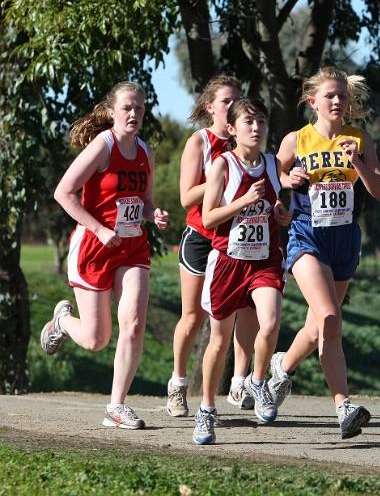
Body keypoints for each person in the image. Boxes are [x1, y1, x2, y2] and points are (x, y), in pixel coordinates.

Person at [41, 81, 170, 429]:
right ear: (112, 112)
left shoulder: (146, 151)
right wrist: (99, 229)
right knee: (97, 339)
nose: (134, 114)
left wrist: (154, 214)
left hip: (132, 247)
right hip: (94, 248)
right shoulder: (103, 146)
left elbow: (144, 201)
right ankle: (62, 322)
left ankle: (116, 406)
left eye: (139, 108)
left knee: (134, 324)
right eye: (127, 108)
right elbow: (63, 192)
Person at [268, 67, 380, 439]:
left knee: (317, 325)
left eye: (343, 96)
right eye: (331, 96)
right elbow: (271, 177)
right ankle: (343, 406)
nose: (338, 102)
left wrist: (358, 162)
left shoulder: (359, 138)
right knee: (331, 320)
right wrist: (289, 182)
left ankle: (282, 370)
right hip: (307, 236)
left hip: (345, 239)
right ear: (312, 102)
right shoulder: (297, 140)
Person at [193, 97, 289, 445]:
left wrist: (280, 213)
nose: (256, 128)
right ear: (232, 129)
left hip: (264, 260)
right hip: (228, 261)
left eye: (261, 121)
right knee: (219, 342)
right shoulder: (223, 164)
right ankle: (206, 409)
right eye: (248, 121)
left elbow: (275, 203)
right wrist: (243, 202)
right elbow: (207, 218)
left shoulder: (272, 163)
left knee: (271, 323)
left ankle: (258, 381)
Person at [167, 75, 260, 417]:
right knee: (193, 317)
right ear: (210, 108)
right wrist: (223, 176)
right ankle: (178, 385)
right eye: (226, 102)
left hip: (239, 240)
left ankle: (239, 382)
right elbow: (185, 197)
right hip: (202, 238)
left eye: (238, 101)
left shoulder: (250, 141)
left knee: (247, 311)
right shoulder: (201, 142)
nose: (234, 107)